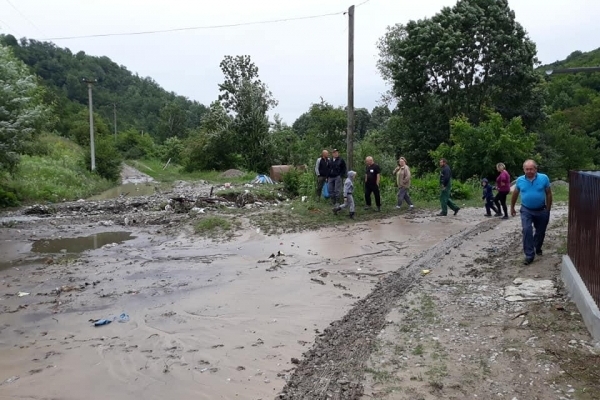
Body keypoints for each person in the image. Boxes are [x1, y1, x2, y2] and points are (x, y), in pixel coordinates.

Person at [511, 159, 553, 265]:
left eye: (531, 169)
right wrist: (512, 207)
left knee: (540, 232)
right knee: (526, 230)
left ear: (536, 169)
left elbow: (548, 193)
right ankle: (529, 255)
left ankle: (537, 247)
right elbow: (515, 194)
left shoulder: (544, 178)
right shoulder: (520, 180)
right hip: (526, 210)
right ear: (524, 170)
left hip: (541, 209)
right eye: (527, 169)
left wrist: (548, 209)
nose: (529, 171)